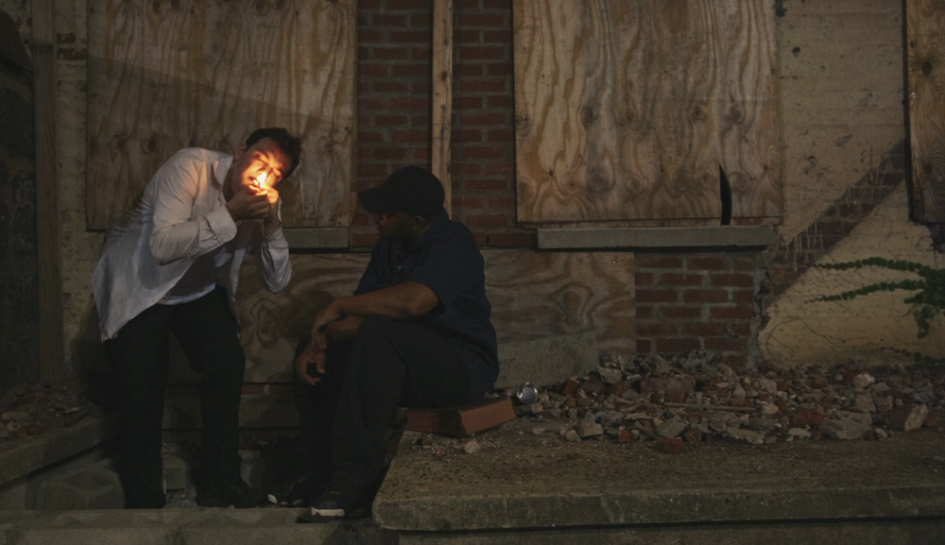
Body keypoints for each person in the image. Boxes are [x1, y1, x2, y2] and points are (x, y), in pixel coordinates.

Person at [92, 127, 302, 508]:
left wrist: (272, 226)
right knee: (141, 386)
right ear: (240, 152)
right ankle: (144, 497)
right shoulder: (190, 168)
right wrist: (230, 213)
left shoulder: (264, 199)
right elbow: (163, 246)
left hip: (197, 291)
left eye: (276, 173)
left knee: (225, 363)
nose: (264, 175)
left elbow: (277, 281)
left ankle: (221, 482)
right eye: (260, 160)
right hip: (144, 286)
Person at [274, 166, 499, 519]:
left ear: (417, 221)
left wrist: (337, 305)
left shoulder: (454, 242)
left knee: (380, 333)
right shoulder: (389, 248)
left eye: (388, 213)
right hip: (399, 364)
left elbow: (413, 303)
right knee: (323, 348)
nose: (377, 218)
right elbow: (356, 320)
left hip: (459, 368)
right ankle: (318, 472)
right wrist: (320, 338)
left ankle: (357, 477)